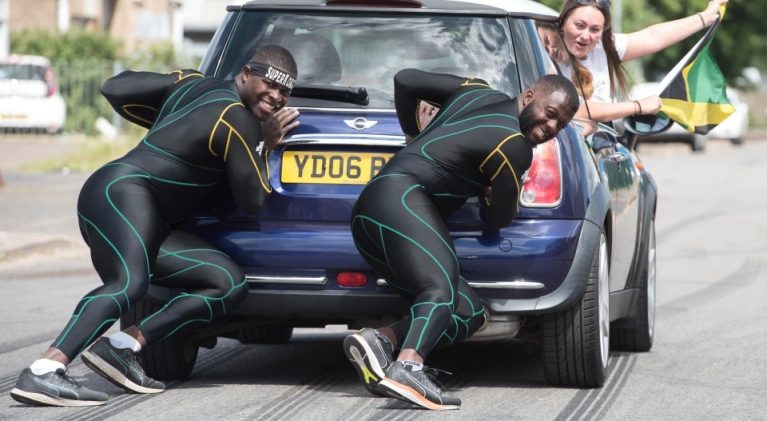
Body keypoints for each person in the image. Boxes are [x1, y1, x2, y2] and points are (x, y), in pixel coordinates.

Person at [9, 45, 298, 407]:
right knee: (129, 283)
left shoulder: (194, 83)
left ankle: (122, 346)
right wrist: (265, 143)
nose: (276, 96)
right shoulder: (240, 120)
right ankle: (44, 370)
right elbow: (252, 200)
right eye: (268, 84)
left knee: (226, 283)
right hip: (122, 193)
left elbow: (115, 88)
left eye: (285, 91)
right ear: (245, 73)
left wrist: (174, 88)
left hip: (137, 208)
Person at [343, 69, 579, 410]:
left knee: (469, 312)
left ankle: (381, 339)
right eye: (551, 114)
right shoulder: (515, 147)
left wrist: (414, 135)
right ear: (529, 96)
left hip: (373, 212)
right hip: (401, 200)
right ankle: (408, 366)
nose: (553, 127)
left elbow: (406, 80)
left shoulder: (475, 91)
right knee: (439, 289)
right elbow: (499, 218)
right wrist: (489, 191)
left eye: (562, 124)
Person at [556, 0, 728, 124]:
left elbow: (653, 37)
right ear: (563, 22)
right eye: (579, 25)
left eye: (595, 30)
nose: (586, 36)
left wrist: (706, 17)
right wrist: (638, 106)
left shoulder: (601, 49)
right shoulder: (547, 55)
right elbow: (579, 110)